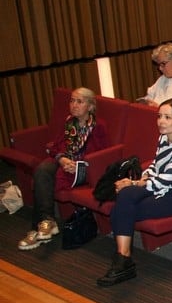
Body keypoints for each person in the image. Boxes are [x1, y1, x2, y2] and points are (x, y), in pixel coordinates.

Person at [97, 99, 172, 286]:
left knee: (119, 210)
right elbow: (155, 166)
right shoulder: (164, 138)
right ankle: (124, 259)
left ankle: (123, 261)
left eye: (167, 117)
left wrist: (134, 182)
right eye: (159, 116)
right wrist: (141, 180)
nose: (161, 121)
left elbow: (167, 179)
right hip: (158, 187)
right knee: (125, 198)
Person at [17, 88, 111, 251]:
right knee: (42, 170)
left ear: (90, 106)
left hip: (83, 169)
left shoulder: (98, 126)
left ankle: (38, 228)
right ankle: (46, 222)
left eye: (79, 102)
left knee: (45, 181)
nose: (74, 105)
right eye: (72, 100)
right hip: (65, 161)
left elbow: (102, 154)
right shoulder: (69, 122)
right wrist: (62, 159)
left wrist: (77, 163)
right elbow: (55, 147)